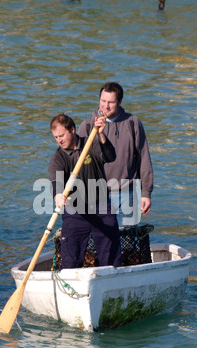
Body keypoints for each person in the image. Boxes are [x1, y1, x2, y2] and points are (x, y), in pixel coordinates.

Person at [48, 113, 122, 269]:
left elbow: (110, 156)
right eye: (56, 137)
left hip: (102, 207)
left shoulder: (91, 144)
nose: (59, 140)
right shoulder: (58, 158)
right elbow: (55, 181)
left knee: (110, 258)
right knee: (70, 259)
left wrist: (101, 134)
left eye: (62, 135)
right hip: (75, 212)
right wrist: (58, 195)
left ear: (73, 130)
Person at [77, 82, 153, 226]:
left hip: (128, 193)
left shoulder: (133, 123)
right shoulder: (87, 126)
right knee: (102, 244)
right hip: (97, 195)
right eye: (103, 101)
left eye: (111, 102)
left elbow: (144, 159)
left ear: (119, 102)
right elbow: (77, 162)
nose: (106, 106)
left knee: (128, 241)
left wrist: (146, 193)